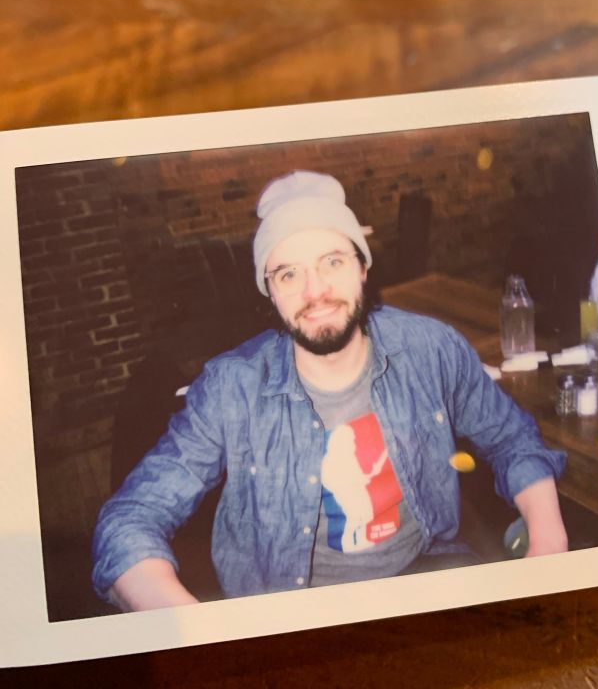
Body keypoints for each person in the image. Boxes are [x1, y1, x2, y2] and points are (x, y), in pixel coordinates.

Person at [92, 171, 568, 612]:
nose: (314, 291)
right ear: (270, 292)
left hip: (426, 575)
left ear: (363, 268)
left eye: (333, 262)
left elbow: (511, 438)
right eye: (288, 274)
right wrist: (198, 633)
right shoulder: (230, 389)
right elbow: (129, 519)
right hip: (292, 613)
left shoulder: (431, 349)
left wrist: (548, 545)